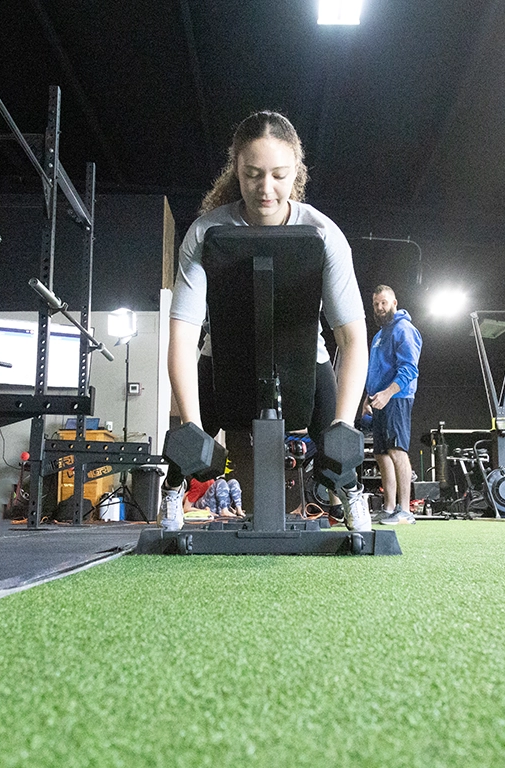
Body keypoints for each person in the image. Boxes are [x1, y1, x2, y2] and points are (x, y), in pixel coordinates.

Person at [162, 110, 370, 532]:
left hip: (303, 363)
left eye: (279, 175)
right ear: (236, 169)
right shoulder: (205, 233)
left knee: (341, 445)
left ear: (297, 170)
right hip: (224, 360)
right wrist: (191, 425)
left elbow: (352, 340)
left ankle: (350, 494)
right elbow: (182, 337)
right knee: (185, 444)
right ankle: (173, 492)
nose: (266, 189)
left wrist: (344, 425)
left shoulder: (324, 233)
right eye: (253, 174)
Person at [366, 284, 422, 524]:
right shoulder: (379, 336)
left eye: (384, 303)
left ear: (394, 303)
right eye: (376, 304)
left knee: (397, 450)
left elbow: (410, 368)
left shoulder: (404, 329)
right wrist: (366, 399)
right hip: (378, 399)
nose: (380, 308)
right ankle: (389, 508)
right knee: (381, 454)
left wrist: (388, 393)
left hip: (397, 397)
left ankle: (405, 511)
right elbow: (372, 371)